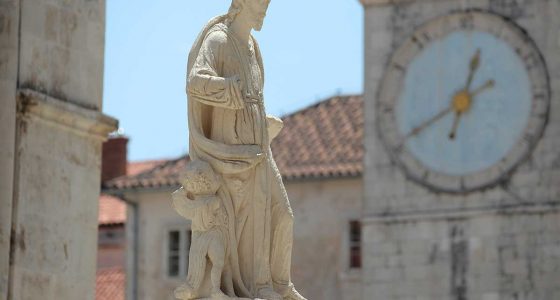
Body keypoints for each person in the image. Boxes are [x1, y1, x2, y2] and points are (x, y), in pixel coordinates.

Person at [185, 0, 307, 299]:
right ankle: (260, 286)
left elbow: (253, 98)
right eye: (259, 4)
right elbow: (195, 82)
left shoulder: (253, 46)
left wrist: (262, 123)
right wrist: (228, 88)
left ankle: (279, 284)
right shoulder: (218, 40)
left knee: (282, 215)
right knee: (245, 222)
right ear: (240, 4)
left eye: (267, 4)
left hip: (259, 149)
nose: (264, 9)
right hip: (231, 152)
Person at [172, 160, 230, 300]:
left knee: (219, 261)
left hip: (214, 233)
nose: (196, 185)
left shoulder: (211, 201)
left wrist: (183, 193)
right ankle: (199, 288)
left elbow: (188, 206)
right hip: (202, 235)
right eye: (192, 182)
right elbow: (185, 206)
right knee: (202, 262)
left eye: (197, 181)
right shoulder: (202, 203)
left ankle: (215, 290)